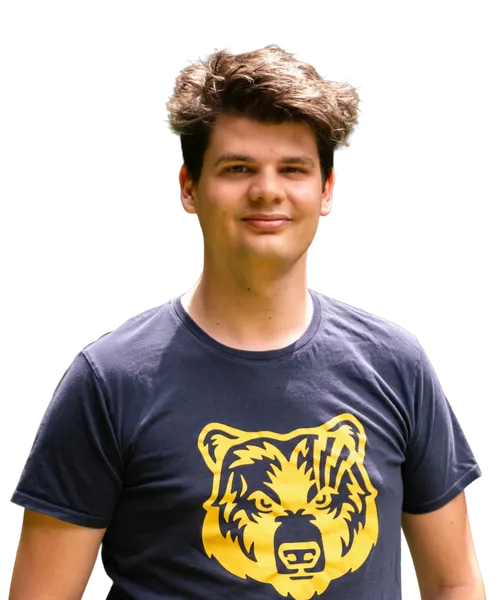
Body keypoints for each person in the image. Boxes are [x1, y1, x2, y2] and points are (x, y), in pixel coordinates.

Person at [8, 43, 485, 599]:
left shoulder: (396, 367)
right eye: (238, 168)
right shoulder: (110, 382)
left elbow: (454, 584)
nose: (266, 190)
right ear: (187, 187)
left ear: (327, 191)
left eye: (293, 169)